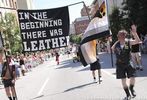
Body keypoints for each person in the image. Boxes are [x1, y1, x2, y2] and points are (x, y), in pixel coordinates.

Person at [111, 25, 141, 100]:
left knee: (133, 77)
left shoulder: (128, 42)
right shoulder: (116, 44)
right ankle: (128, 94)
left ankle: (131, 88)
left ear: (124, 35)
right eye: (119, 35)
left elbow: (137, 41)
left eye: (121, 35)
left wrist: (134, 33)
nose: (120, 36)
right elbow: (111, 49)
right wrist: (116, 41)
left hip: (128, 62)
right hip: (120, 64)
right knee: (123, 80)